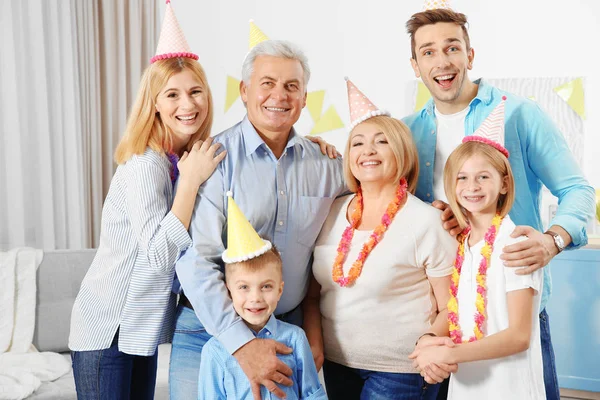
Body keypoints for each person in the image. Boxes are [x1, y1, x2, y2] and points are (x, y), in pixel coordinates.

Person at [402, 3, 595, 398]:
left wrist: (552, 239)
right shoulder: (408, 131)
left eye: (452, 47)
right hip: (447, 309)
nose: (442, 61)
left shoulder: (520, 114)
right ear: (415, 65)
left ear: (469, 55)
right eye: (428, 52)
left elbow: (578, 189)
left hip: (510, 302)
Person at [169, 39, 346, 400]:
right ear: (245, 90)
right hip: (207, 327)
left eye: (291, 86)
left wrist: (441, 210)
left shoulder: (328, 167)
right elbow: (195, 260)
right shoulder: (213, 159)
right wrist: (240, 344)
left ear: (304, 99)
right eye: (267, 83)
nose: (278, 95)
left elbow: (379, 191)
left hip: (286, 328)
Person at [69, 2, 226, 398]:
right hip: (108, 328)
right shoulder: (147, 163)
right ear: (154, 103)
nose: (187, 105)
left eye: (195, 92)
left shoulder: (182, 159)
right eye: (172, 94)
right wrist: (189, 184)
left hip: (141, 329)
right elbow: (158, 254)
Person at [302, 78, 457, 400]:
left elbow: (452, 306)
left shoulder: (427, 221)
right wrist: (315, 345)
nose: (367, 151)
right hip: (336, 363)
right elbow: (314, 296)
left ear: (401, 152)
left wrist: (429, 344)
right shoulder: (330, 211)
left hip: (402, 371)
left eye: (381, 141)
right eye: (357, 143)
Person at [410, 97, 546, 399]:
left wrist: (449, 354)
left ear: (504, 184)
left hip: (509, 388)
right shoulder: (464, 243)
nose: (472, 187)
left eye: (483, 177)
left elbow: (519, 336)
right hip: (468, 387)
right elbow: (458, 309)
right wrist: (429, 341)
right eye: (463, 178)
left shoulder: (516, 244)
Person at [198, 193, 326, 399]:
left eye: (266, 286)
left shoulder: (295, 338)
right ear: (228, 290)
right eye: (244, 287)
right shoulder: (214, 351)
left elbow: (312, 394)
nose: (255, 297)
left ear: (280, 290)